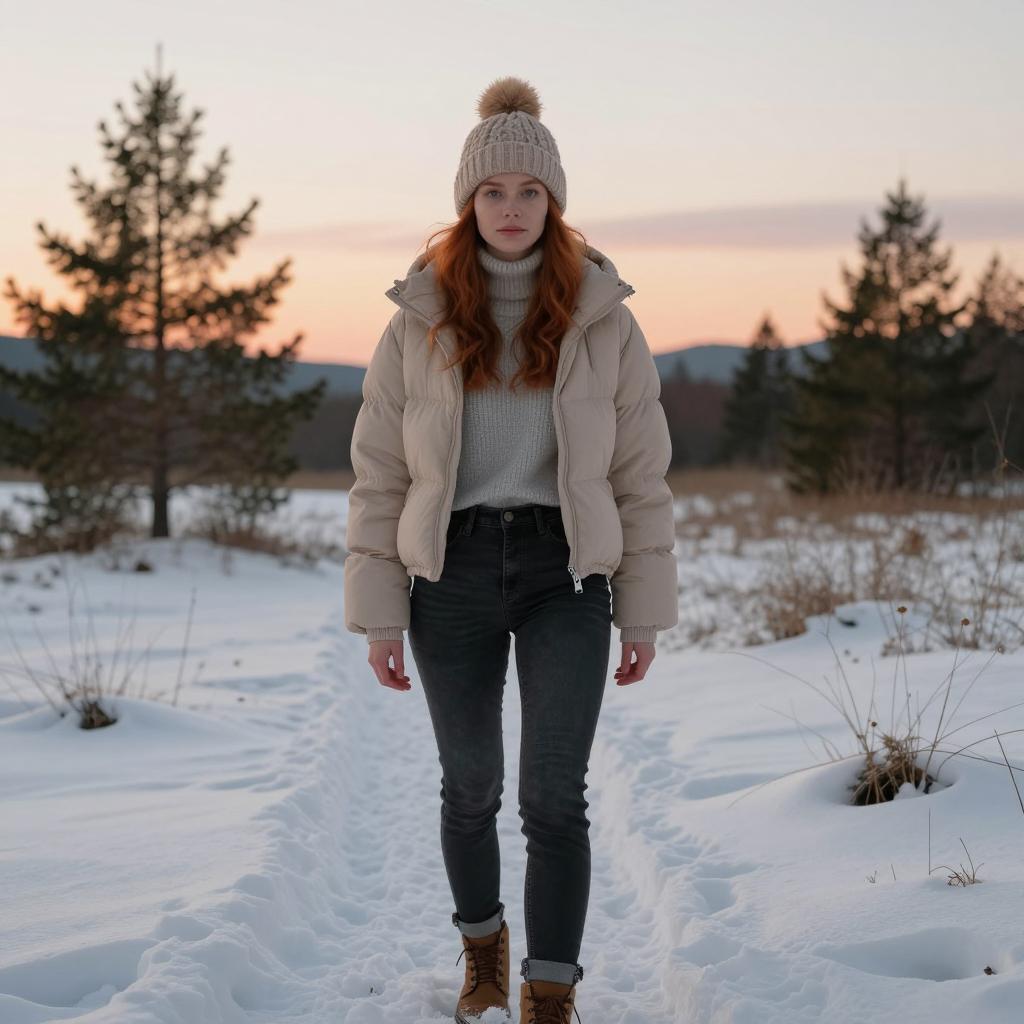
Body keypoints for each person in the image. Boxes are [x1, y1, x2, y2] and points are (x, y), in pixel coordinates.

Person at [343, 75, 678, 1024]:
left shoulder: (602, 318)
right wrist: (378, 612)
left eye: (530, 192)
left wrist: (643, 608)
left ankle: (548, 991)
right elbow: (378, 472)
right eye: (493, 192)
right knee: (470, 786)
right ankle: (484, 951)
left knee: (553, 796)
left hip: (563, 572)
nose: (512, 209)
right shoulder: (418, 319)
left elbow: (640, 476)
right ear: (467, 203)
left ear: (555, 202)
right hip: (445, 575)